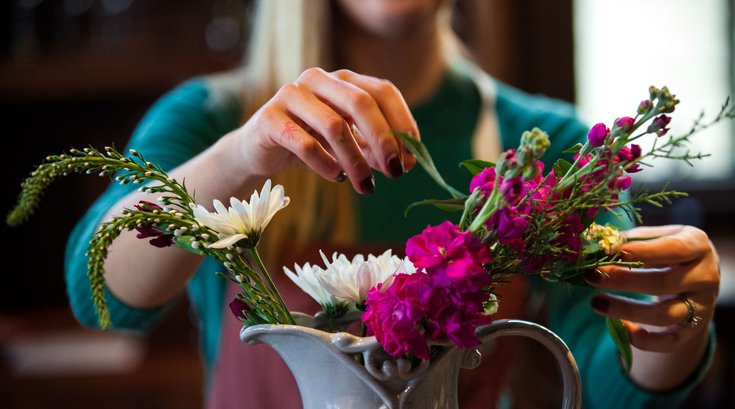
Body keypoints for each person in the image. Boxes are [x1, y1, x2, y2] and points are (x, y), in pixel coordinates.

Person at [64, 0, 719, 408]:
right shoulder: (212, 122)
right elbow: (98, 290)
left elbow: (615, 383)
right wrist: (243, 155)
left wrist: (674, 322)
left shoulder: (548, 147)